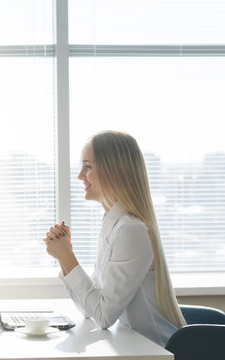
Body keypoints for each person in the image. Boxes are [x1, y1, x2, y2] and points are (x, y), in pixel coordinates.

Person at [44, 130, 186, 347]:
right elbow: (89, 309)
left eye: (88, 166)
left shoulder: (131, 231)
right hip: (135, 347)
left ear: (114, 171)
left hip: (158, 351)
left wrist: (68, 256)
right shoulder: (114, 225)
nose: (80, 175)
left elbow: (103, 317)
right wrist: (65, 259)